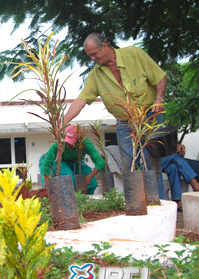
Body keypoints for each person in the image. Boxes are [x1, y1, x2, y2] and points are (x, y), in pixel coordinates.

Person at [62, 33, 166, 185]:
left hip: (149, 117)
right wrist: (63, 122)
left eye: (94, 54)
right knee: (129, 166)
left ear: (104, 45)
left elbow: (160, 77)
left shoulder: (134, 54)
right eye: (89, 56)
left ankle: (156, 203)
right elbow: (81, 100)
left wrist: (159, 98)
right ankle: (136, 205)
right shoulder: (95, 75)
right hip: (124, 123)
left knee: (151, 164)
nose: (92, 59)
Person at [39, 125, 105, 195]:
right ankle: (70, 200)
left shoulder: (86, 143)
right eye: (67, 142)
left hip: (77, 162)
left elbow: (100, 162)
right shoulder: (59, 143)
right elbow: (46, 163)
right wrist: (46, 183)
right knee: (69, 178)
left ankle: (85, 200)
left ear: (79, 140)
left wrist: (88, 177)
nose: (68, 145)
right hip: (60, 161)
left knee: (92, 183)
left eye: (71, 142)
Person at [160, 144, 199, 210]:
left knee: (173, 167)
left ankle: (176, 201)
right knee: (175, 155)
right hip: (149, 162)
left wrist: (179, 147)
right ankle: (194, 184)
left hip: (163, 161)